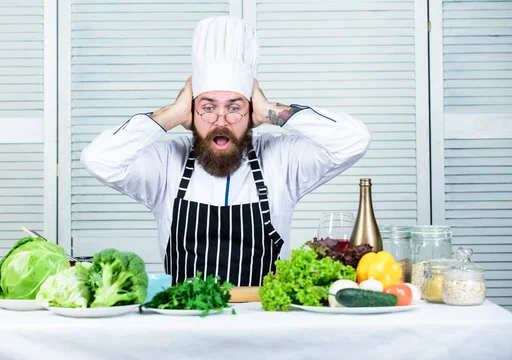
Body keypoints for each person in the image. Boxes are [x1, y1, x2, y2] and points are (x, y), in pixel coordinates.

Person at [81, 16, 371, 286]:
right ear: (190, 112)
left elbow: (354, 140)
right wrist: (170, 114)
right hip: (185, 321)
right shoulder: (167, 163)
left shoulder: (281, 161)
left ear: (252, 112)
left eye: (234, 107)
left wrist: (274, 111)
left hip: (265, 324)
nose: (221, 121)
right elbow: (99, 159)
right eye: (207, 108)